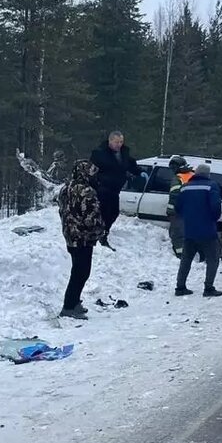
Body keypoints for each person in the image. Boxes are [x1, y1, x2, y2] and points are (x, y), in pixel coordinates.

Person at [57, 160, 105, 320]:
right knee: (81, 272)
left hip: (70, 235)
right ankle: (69, 306)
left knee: (77, 269)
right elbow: (92, 217)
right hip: (84, 237)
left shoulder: (65, 188)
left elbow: (61, 210)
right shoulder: (87, 191)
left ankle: (74, 301)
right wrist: (99, 231)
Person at [175, 163, 222, 296]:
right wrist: (213, 218)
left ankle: (180, 287)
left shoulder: (184, 187)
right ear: (207, 174)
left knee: (186, 259)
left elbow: (177, 207)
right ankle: (208, 288)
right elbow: (215, 206)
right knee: (213, 259)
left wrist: (187, 217)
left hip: (190, 230)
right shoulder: (211, 186)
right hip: (207, 230)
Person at [89, 130, 144, 245]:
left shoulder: (124, 153)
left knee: (114, 212)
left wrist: (140, 172)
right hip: (102, 188)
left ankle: (104, 231)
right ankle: (100, 234)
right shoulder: (99, 153)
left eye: (121, 142)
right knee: (104, 212)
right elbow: (91, 170)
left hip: (115, 189)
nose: (119, 144)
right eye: (117, 142)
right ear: (110, 141)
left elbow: (131, 165)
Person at [166, 155, 194, 257]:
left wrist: (171, 211)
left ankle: (181, 255)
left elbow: (174, 196)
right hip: (193, 210)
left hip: (180, 211)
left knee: (177, 233)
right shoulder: (192, 175)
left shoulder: (178, 178)